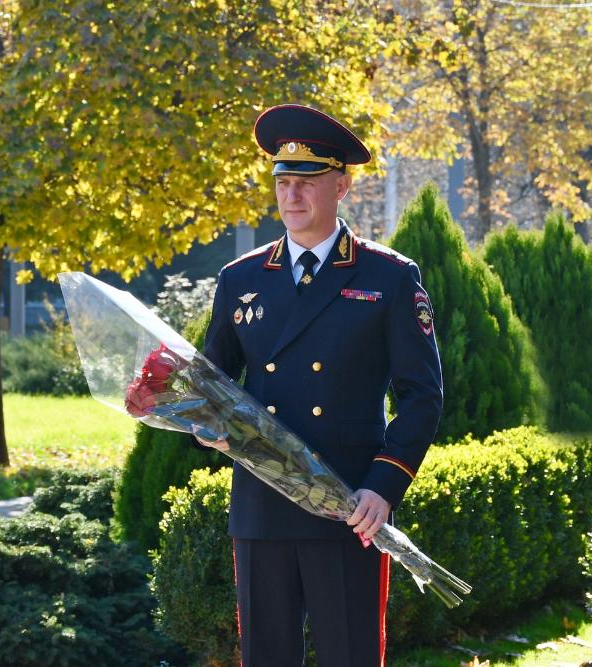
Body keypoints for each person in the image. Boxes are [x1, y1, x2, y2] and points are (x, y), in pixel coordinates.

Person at [197, 105, 443, 666]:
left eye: (306, 183)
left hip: (350, 505)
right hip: (264, 504)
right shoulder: (240, 279)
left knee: (350, 655)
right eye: (283, 183)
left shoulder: (388, 276)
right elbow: (211, 383)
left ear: (342, 185)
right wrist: (194, 419)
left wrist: (384, 486)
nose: (292, 197)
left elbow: (422, 395)